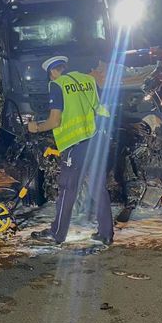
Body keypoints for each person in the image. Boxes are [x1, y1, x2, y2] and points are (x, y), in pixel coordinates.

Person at [28, 56, 113, 245]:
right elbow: (100, 109)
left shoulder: (57, 85)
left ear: (52, 72)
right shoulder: (87, 80)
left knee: (67, 189)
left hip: (75, 146)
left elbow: (55, 121)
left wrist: (36, 127)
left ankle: (57, 233)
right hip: (95, 140)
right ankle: (106, 233)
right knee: (98, 187)